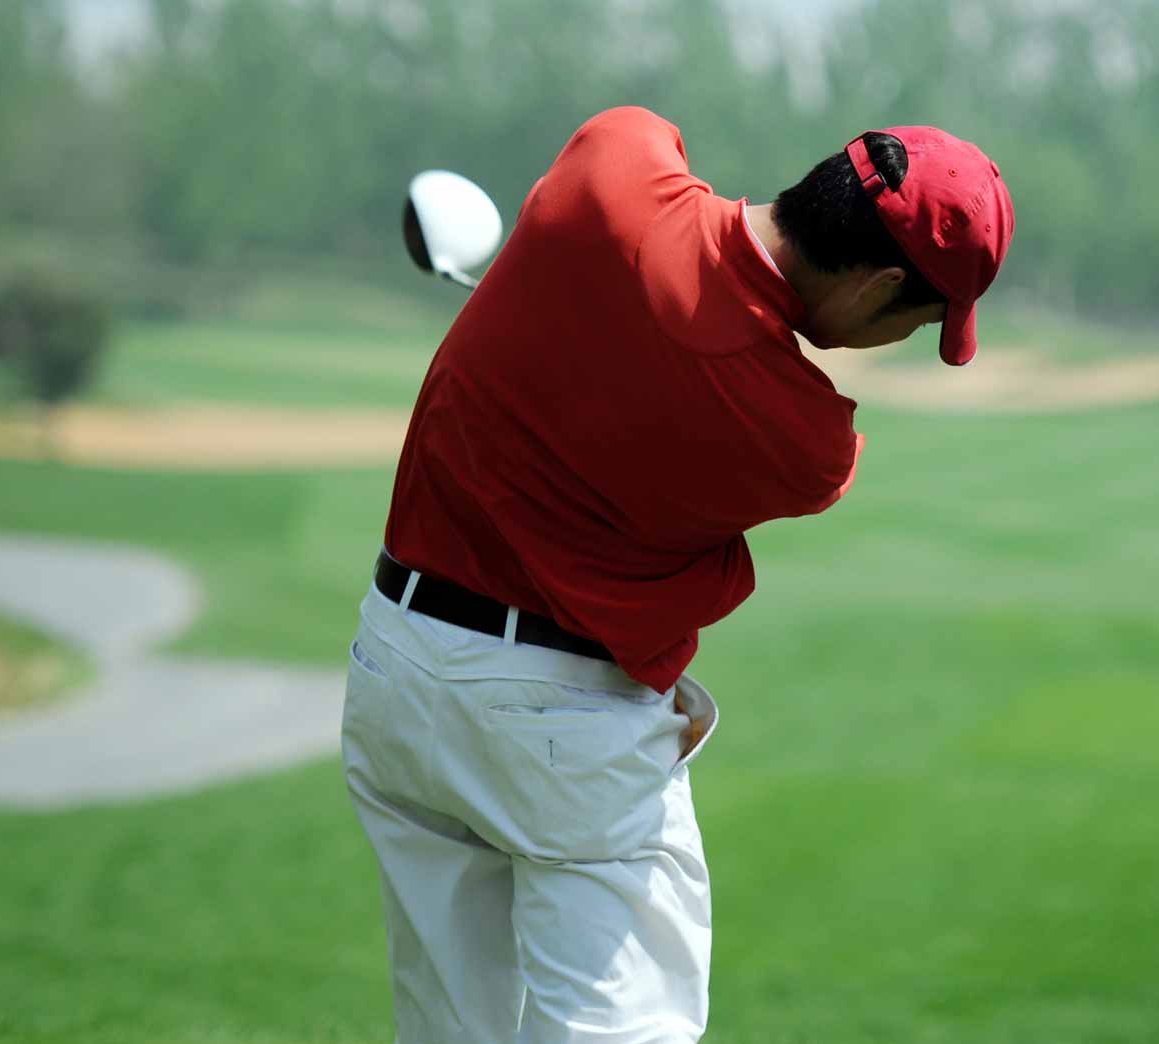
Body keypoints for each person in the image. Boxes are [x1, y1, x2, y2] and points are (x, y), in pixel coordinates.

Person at [340, 106, 1014, 1043]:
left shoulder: (615, 161)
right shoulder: (806, 442)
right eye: (924, 320)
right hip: (555, 730)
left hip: (394, 669)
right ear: (878, 287)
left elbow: (653, 224)